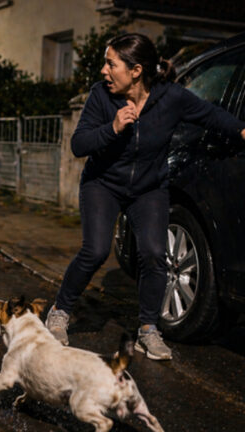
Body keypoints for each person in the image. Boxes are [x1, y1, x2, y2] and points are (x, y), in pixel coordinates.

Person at [45, 33, 245, 360]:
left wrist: (241, 130)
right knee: (94, 251)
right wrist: (112, 127)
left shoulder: (171, 97)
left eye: (112, 64)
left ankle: (148, 330)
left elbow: (211, 115)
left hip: (149, 188)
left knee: (154, 254)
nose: (104, 71)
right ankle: (60, 311)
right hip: (103, 184)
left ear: (136, 71)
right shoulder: (101, 96)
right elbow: (78, 144)